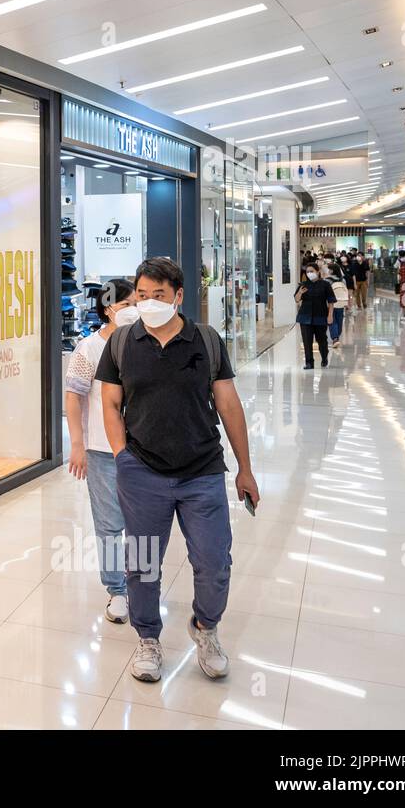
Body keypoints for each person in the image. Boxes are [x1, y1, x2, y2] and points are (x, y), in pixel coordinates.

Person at [95, 257, 259, 684]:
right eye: (143, 295)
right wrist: (121, 456)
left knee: (213, 561)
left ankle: (205, 628)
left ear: (179, 296)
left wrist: (245, 468)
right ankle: (148, 638)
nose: (149, 303)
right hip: (143, 470)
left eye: (159, 296)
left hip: (202, 470)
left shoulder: (205, 340)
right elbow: (111, 405)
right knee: (144, 563)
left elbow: (228, 404)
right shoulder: (121, 343)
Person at [63, 278, 137, 624]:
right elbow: (73, 397)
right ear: (109, 309)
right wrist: (77, 444)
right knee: (109, 523)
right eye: (128, 305)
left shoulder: (146, 344)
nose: (135, 311)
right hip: (102, 449)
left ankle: (142, 583)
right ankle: (117, 590)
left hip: (144, 449)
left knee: (145, 522)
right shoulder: (88, 349)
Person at [296, 262, 335, 368]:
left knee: (322, 340)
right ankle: (309, 363)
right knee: (307, 341)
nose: (309, 273)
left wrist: (330, 315)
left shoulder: (325, 285)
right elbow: (296, 300)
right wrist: (300, 293)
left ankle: (324, 358)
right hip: (305, 317)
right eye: (307, 272)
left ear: (318, 272)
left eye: (311, 271)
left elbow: (331, 301)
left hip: (320, 316)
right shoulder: (303, 285)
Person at [321, 255, 348, 346]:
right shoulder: (343, 280)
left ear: (332, 270)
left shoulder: (327, 281)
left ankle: (335, 338)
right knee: (339, 320)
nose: (328, 271)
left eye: (329, 269)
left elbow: (324, 292)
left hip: (330, 303)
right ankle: (336, 337)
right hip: (340, 303)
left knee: (332, 320)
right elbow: (345, 291)